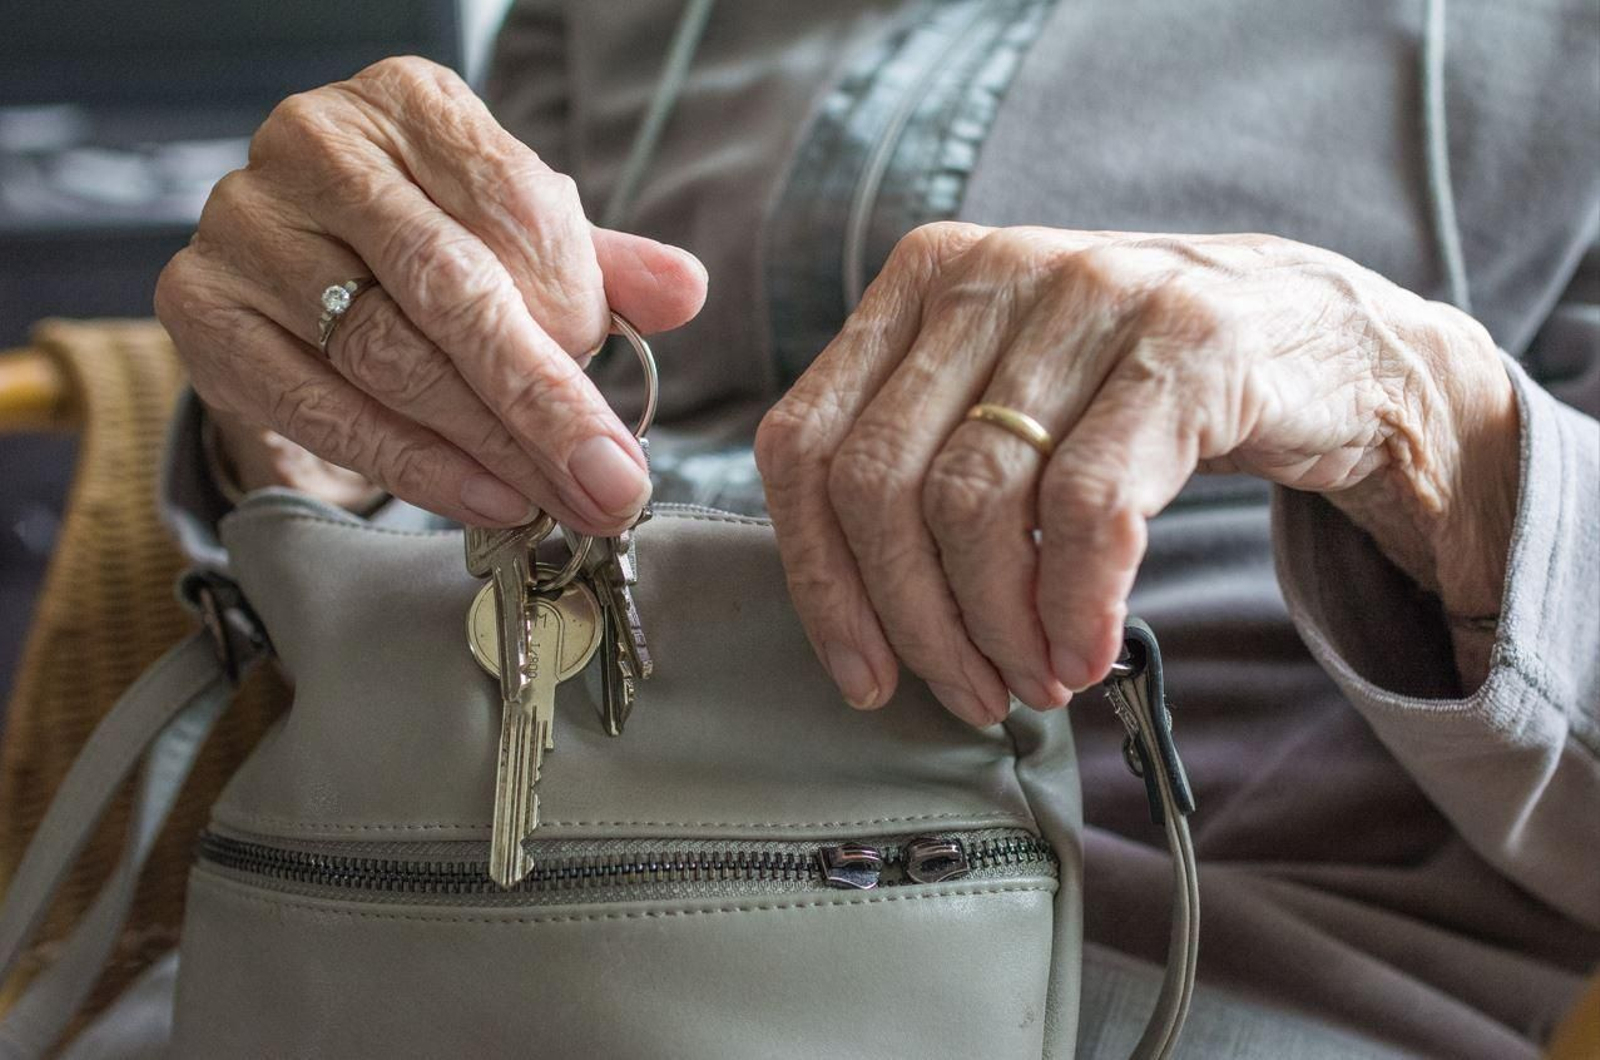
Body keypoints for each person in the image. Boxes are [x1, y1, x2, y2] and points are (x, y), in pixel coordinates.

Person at [152, 2, 1599, 1056]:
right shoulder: (603, 25)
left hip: (1189, 980)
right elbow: (448, 463)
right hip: (383, 912)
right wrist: (301, 407)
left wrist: (1415, 407)